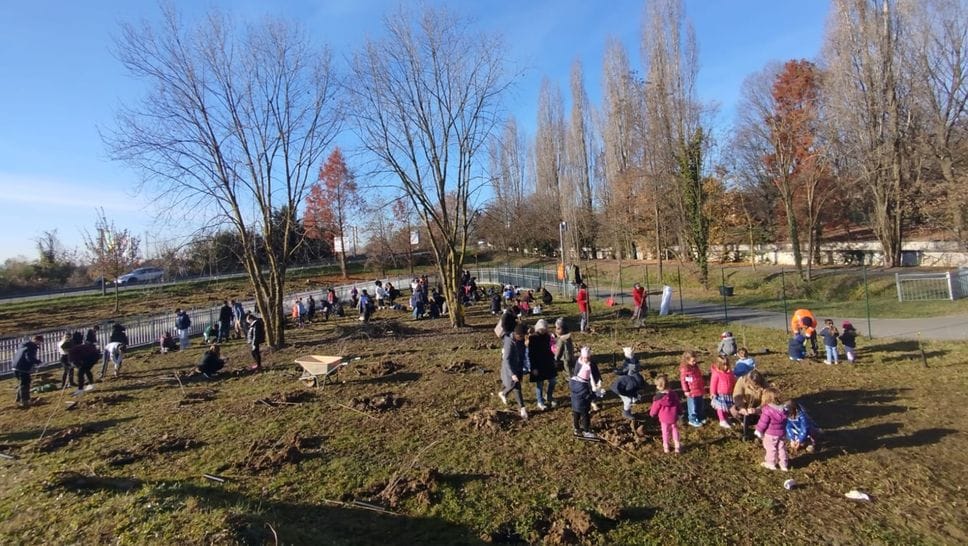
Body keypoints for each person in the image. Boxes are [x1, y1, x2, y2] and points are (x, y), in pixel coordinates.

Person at [498, 323, 529, 420]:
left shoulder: (520, 340)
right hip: (510, 369)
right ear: (517, 335)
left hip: (519, 367)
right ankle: (522, 408)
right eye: (522, 336)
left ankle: (503, 393)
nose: (523, 338)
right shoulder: (509, 343)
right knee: (516, 386)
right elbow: (506, 360)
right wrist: (512, 374)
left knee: (512, 385)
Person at [754, 388, 789, 471]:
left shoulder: (767, 410)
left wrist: (759, 430)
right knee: (781, 448)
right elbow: (785, 422)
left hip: (770, 433)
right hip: (781, 433)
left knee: (770, 448)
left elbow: (763, 422)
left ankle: (770, 463)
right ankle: (783, 464)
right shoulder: (784, 410)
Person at [569, 346, 599, 439]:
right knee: (585, 417)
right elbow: (587, 397)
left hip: (575, 404)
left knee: (576, 416)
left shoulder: (573, 381)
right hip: (583, 405)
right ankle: (586, 431)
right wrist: (595, 394)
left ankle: (576, 429)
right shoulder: (584, 387)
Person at [528, 319, 557, 411]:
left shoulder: (548, 337)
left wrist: (554, 360)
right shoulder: (533, 338)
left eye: (545, 329)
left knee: (553, 381)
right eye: (541, 329)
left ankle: (549, 396)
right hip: (538, 364)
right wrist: (534, 368)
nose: (543, 331)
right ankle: (540, 401)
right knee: (539, 384)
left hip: (548, 363)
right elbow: (531, 354)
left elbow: (552, 349)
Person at [649, 374, 681, 453]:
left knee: (665, 432)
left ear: (659, 387)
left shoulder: (658, 398)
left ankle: (666, 447)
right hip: (674, 416)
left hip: (664, 418)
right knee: (675, 429)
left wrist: (652, 414)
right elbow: (678, 403)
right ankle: (677, 446)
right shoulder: (673, 394)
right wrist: (680, 412)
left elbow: (655, 408)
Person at [611, 350, 646, 420]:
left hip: (625, 382)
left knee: (631, 397)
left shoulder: (633, 365)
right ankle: (626, 413)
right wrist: (633, 396)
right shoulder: (631, 383)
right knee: (628, 400)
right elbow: (627, 392)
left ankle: (629, 406)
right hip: (619, 388)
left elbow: (625, 370)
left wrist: (617, 371)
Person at [12, 335, 43, 408]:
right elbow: (29, 358)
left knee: (22, 384)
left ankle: (19, 399)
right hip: (23, 368)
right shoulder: (31, 347)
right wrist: (38, 362)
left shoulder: (24, 345)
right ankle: (25, 401)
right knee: (25, 384)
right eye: (40, 342)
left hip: (16, 367)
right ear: (37, 341)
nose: (40, 344)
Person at [679, 351, 706, 427]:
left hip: (698, 389)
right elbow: (683, 381)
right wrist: (686, 390)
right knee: (692, 406)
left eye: (695, 360)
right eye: (693, 361)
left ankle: (700, 416)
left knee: (700, 404)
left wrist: (702, 384)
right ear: (687, 360)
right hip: (691, 391)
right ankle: (692, 419)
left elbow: (699, 376)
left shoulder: (695, 367)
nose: (694, 362)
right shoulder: (685, 369)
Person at [709, 355, 736, 429]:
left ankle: (726, 418)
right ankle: (722, 420)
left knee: (726, 407)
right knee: (720, 407)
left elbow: (733, 381)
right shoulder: (716, 373)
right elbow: (713, 384)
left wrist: (734, 388)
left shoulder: (730, 373)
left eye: (727, 365)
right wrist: (713, 393)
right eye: (723, 365)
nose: (726, 367)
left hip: (728, 393)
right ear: (719, 365)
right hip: (720, 394)